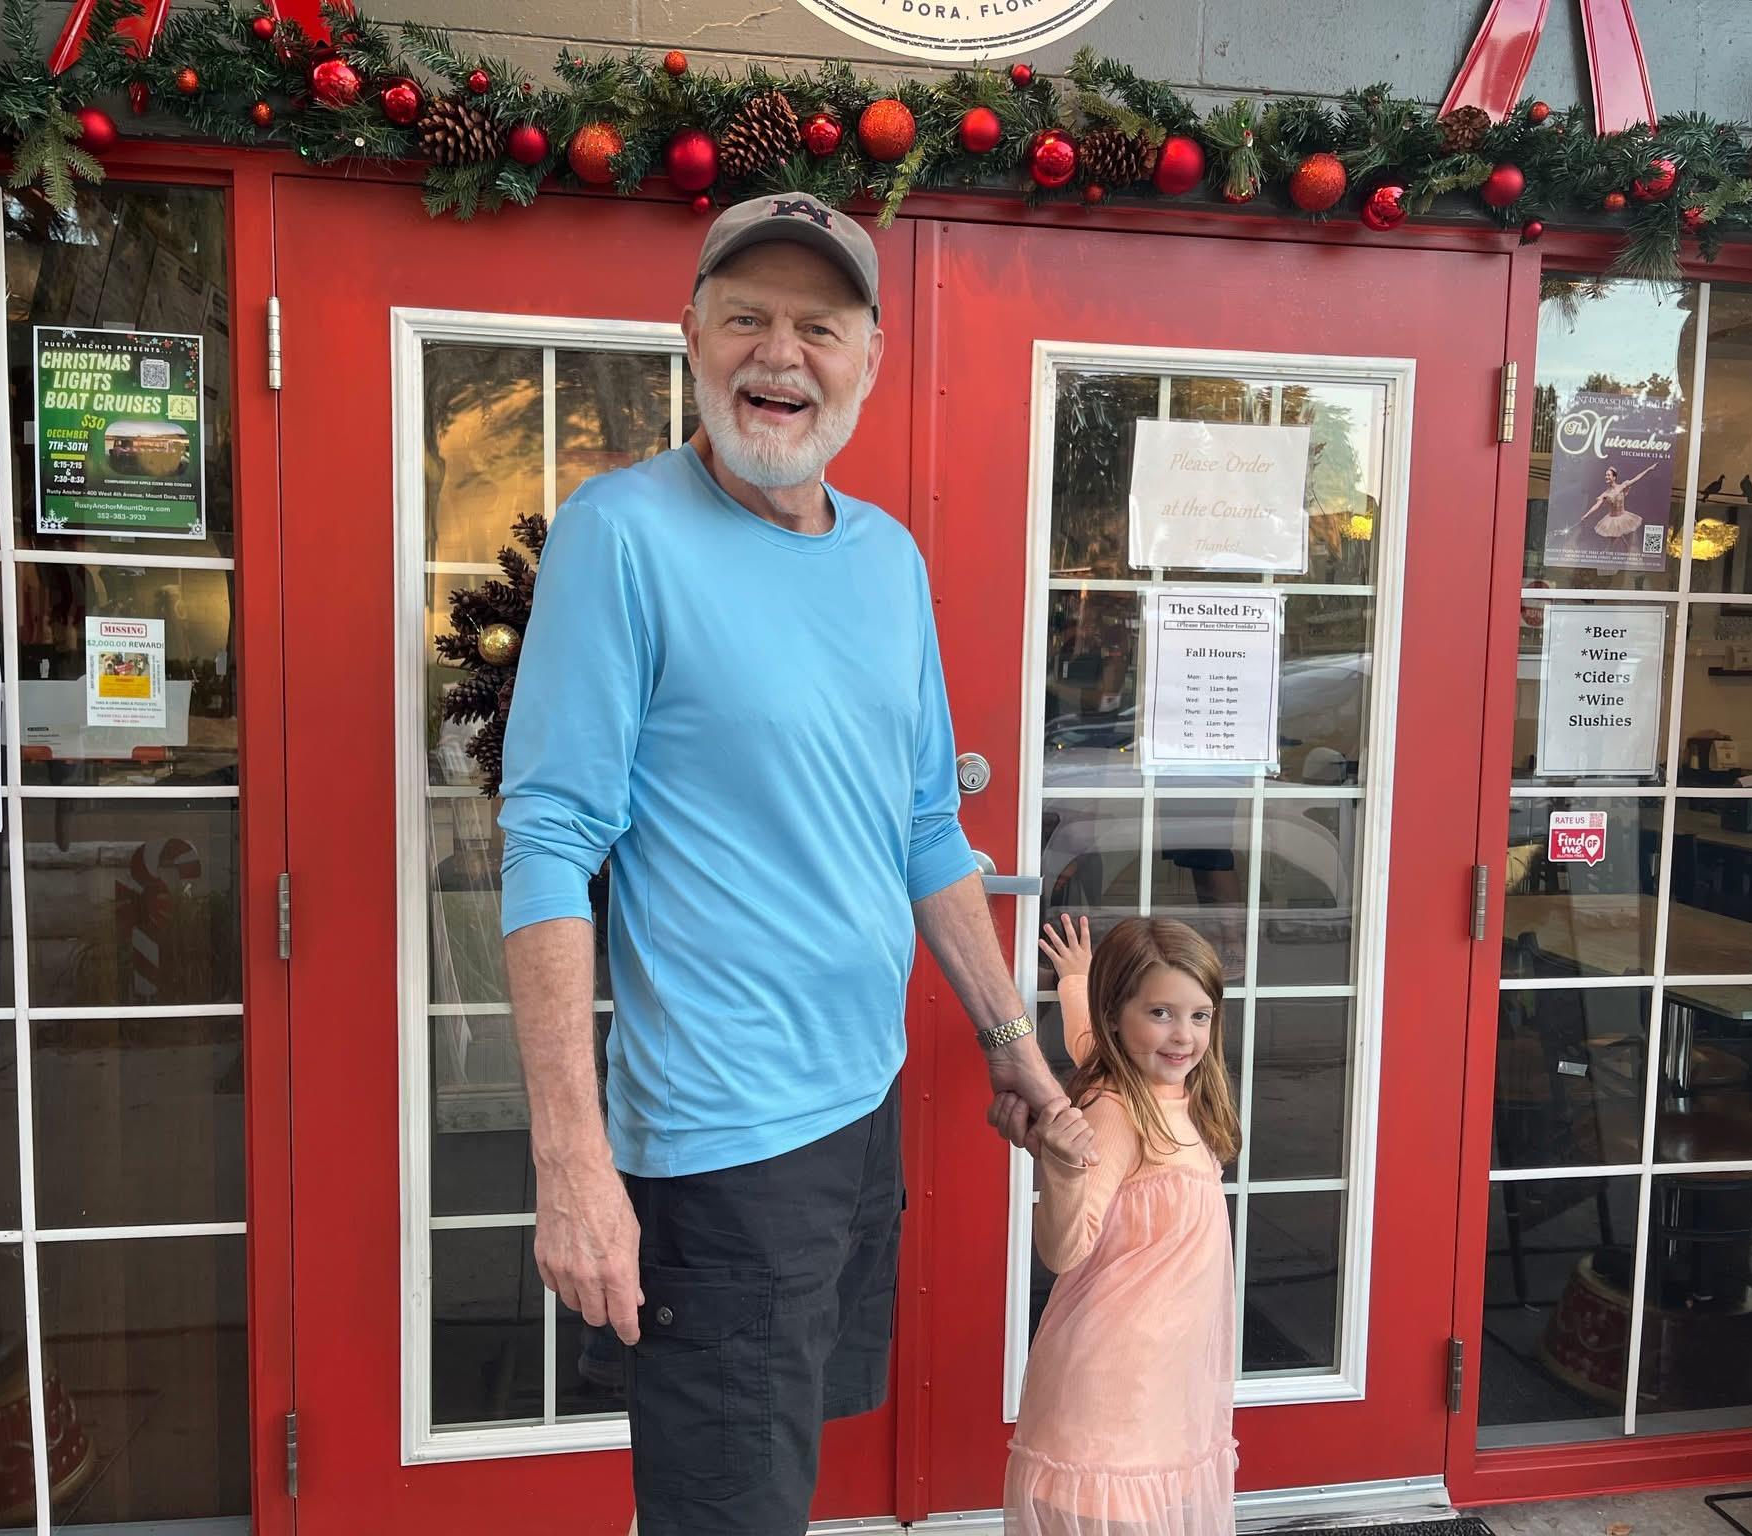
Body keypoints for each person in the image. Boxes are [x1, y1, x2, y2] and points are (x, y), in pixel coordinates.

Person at [497, 191, 1088, 1536]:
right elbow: (546, 844)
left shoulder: (889, 561)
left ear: (869, 359)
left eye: (819, 325)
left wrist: (1008, 1036)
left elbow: (925, 826)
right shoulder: (621, 535)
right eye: (748, 316)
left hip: (856, 1105)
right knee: (728, 1508)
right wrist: (572, 1162)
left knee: (772, 1478)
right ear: (691, 336)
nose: (783, 354)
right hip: (718, 1145)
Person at [1009, 915, 1240, 1536]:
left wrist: (1077, 980)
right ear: (1119, 1016)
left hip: (1163, 1380)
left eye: (1199, 1015)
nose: (1184, 1036)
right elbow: (1063, 1249)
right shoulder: (1113, 1110)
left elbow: (1088, 1039)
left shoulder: (1164, 1085)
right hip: (1115, 1388)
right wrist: (1060, 1164)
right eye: (1161, 1013)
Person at [1574, 462, 1661, 554]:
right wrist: (1586, 515)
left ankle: (1622, 550)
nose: (1606, 477)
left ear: (1614, 477)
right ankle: (1613, 552)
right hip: (1612, 519)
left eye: (1608, 475)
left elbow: (1637, 478)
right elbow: (1596, 506)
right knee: (1614, 539)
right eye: (1606, 475)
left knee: (1619, 537)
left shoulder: (1623, 486)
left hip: (1623, 516)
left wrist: (1649, 469)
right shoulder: (1605, 494)